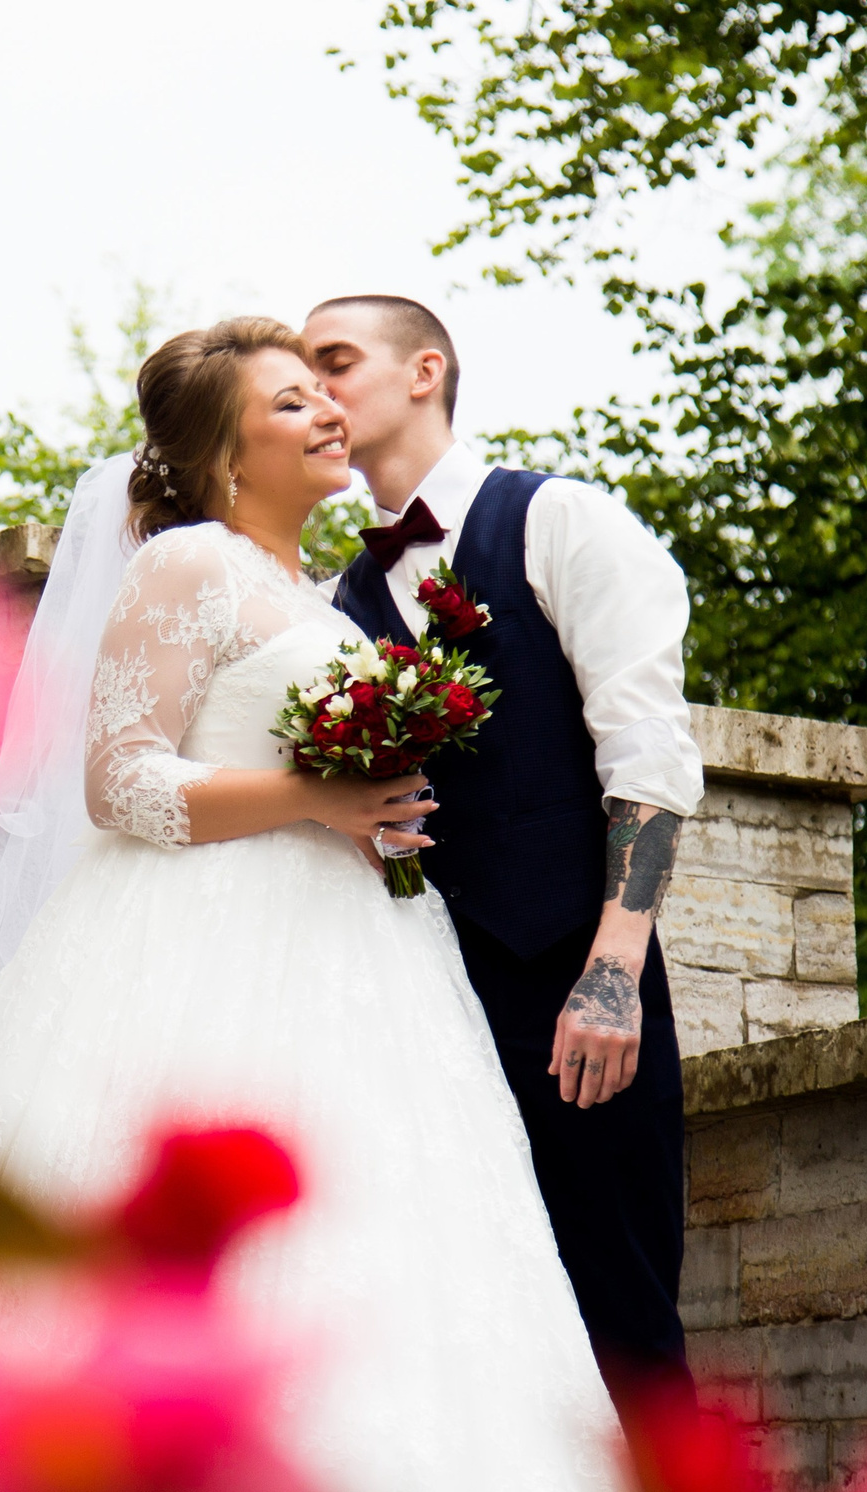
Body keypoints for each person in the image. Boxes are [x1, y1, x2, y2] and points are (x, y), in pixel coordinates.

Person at [0, 318, 630, 1492]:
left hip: (365, 969)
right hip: (195, 949)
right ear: (224, 452)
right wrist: (315, 797)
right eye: (290, 401)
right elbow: (119, 780)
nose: (328, 413)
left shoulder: (315, 593)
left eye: (327, 392)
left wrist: (370, 815)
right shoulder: (187, 563)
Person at [303, 296, 701, 1401]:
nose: (314, 390)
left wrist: (612, 971)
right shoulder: (334, 603)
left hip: (572, 984)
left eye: (336, 360)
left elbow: (650, 759)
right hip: (420, 1003)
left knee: (619, 1314)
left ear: (424, 370)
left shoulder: (560, 520)